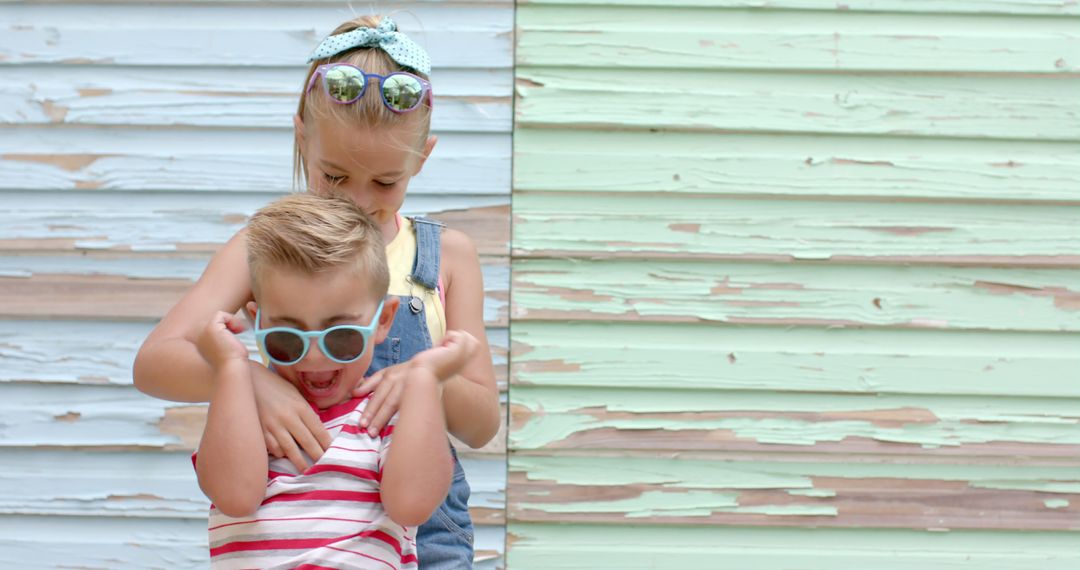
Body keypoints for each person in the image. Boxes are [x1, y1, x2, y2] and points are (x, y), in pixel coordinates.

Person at [133, 15, 500, 568]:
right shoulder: (264, 247)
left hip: (423, 529)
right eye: (333, 176)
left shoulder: (447, 257)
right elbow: (155, 363)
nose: (356, 200)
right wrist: (255, 380)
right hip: (294, 523)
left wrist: (426, 380)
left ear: (420, 159)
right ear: (302, 133)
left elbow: (481, 424)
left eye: (384, 182)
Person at [195, 192, 478, 569]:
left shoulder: (387, 415)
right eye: (287, 338)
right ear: (257, 321)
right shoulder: (246, 412)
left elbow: (412, 505)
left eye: (340, 336)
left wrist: (426, 378)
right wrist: (231, 366)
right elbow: (234, 496)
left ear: (382, 320)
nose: (314, 356)